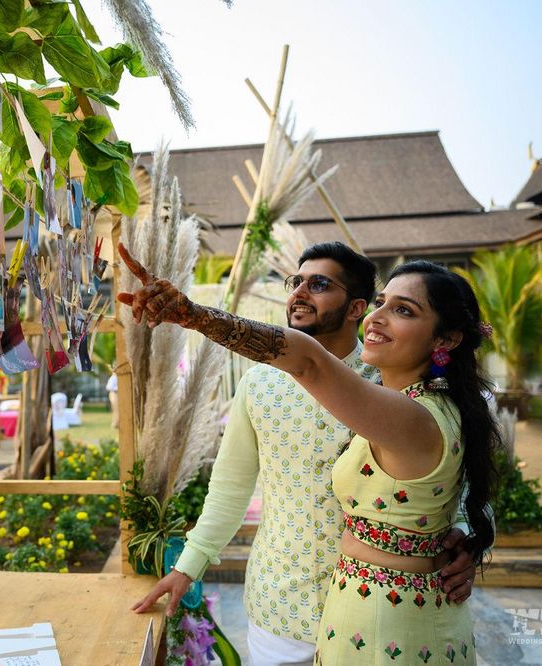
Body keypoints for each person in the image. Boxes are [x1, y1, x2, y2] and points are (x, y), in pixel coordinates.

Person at [122, 242, 495, 665]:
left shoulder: (397, 379)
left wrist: (467, 535)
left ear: (355, 307)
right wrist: (187, 566)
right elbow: (231, 484)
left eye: (318, 284)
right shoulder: (260, 384)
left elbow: (459, 474)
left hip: (387, 617)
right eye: (295, 282)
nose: (299, 293)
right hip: (281, 604)